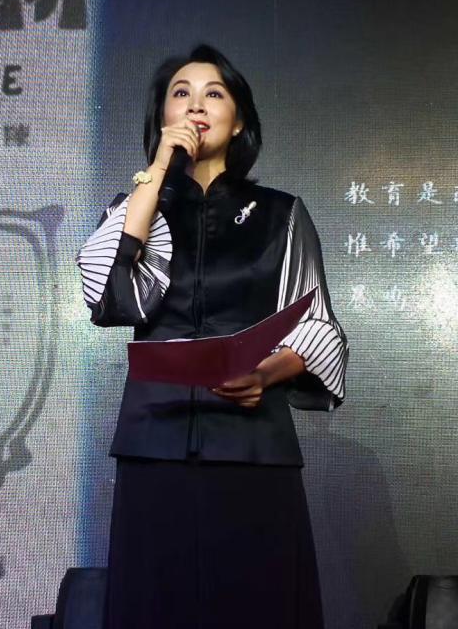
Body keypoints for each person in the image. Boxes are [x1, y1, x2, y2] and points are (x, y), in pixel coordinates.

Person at [76, 44, 348, 628]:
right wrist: (156, 172)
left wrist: (266, 374)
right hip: (155, 444)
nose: (196, 105)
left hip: (252, 446)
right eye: (181, 94)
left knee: (258, 607)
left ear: (239, 120)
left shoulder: (281, 214)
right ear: (163, 116)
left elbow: (318, 326)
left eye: (213, 94)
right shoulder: (137, 207)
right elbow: (110, 295)